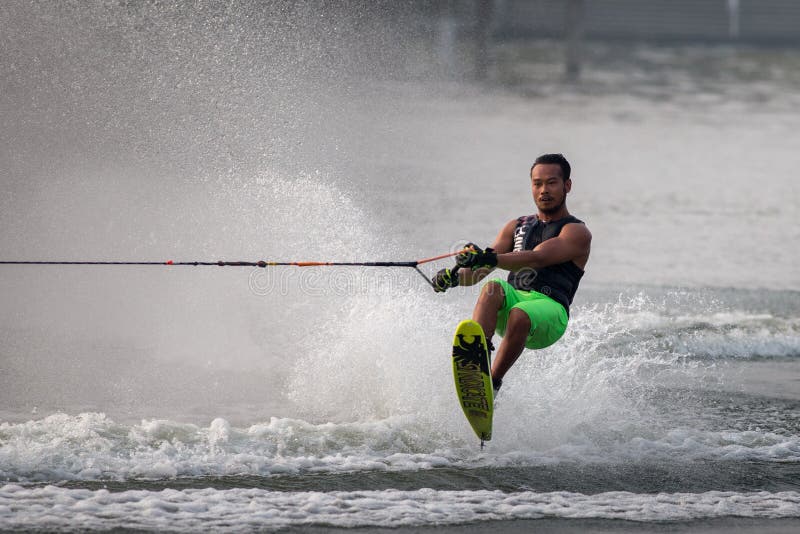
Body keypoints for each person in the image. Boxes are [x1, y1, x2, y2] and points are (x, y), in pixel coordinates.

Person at [432, 153, 591, 394]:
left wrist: (491, 257)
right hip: (515, 301)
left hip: (550, 314)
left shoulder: (577, 232)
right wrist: (454, 277)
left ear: (567, 186)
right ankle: (476, 364)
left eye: (551, 182)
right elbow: (478, 272)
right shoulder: (515, 226)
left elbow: (538, 257)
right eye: (537, 183)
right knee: (492, 288)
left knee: (519, 313)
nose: (543, 190)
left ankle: (493, 383)